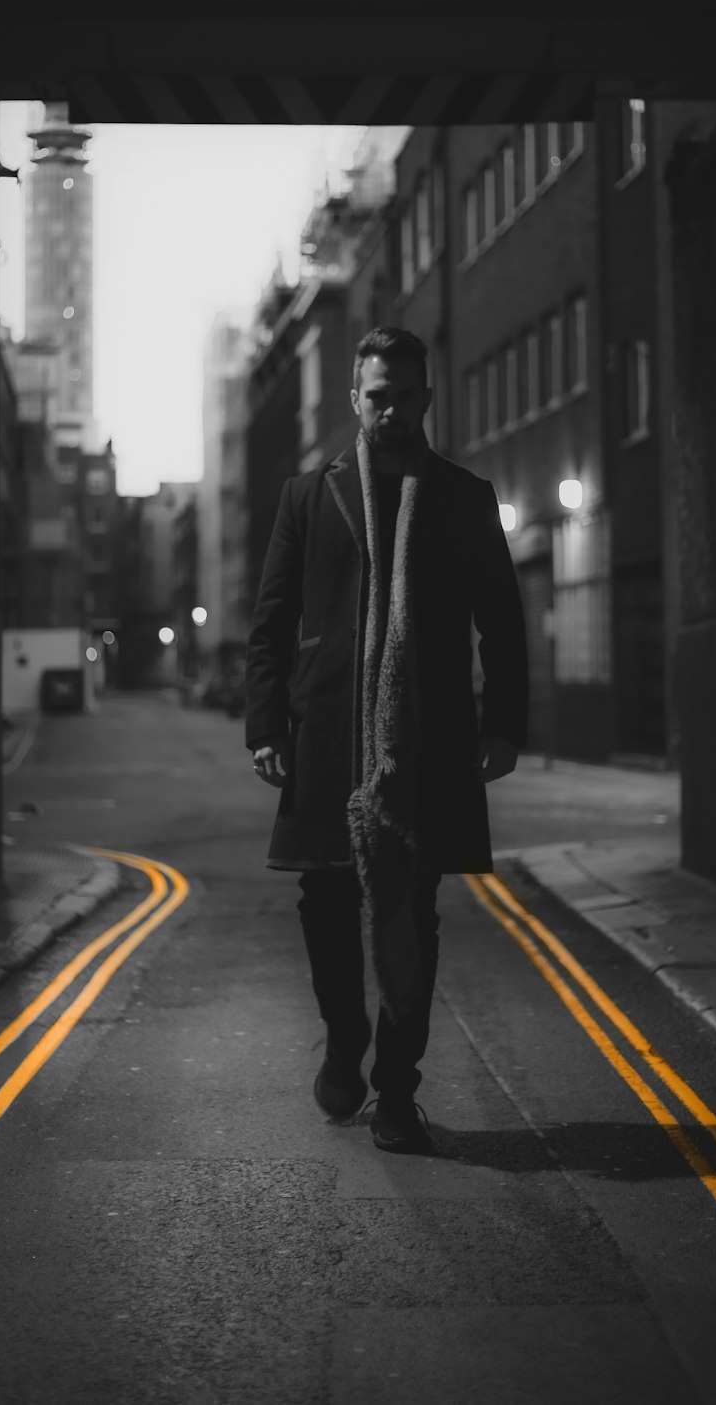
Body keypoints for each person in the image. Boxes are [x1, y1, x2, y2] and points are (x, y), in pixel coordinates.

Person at [245, 326, 527, 1154]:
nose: (390, 408)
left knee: (415, 913)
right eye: (376, 395)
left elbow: (502, 625)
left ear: (426, 399)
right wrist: (266, 724)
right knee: (324, 903)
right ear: (355, 400)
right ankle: (344, 1039)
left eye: (404, 393)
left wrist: (504, 724)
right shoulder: (308, 496)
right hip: (330, 734)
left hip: (428, 739)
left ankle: (399, 1092)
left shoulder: (464, 497)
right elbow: (270, 626)